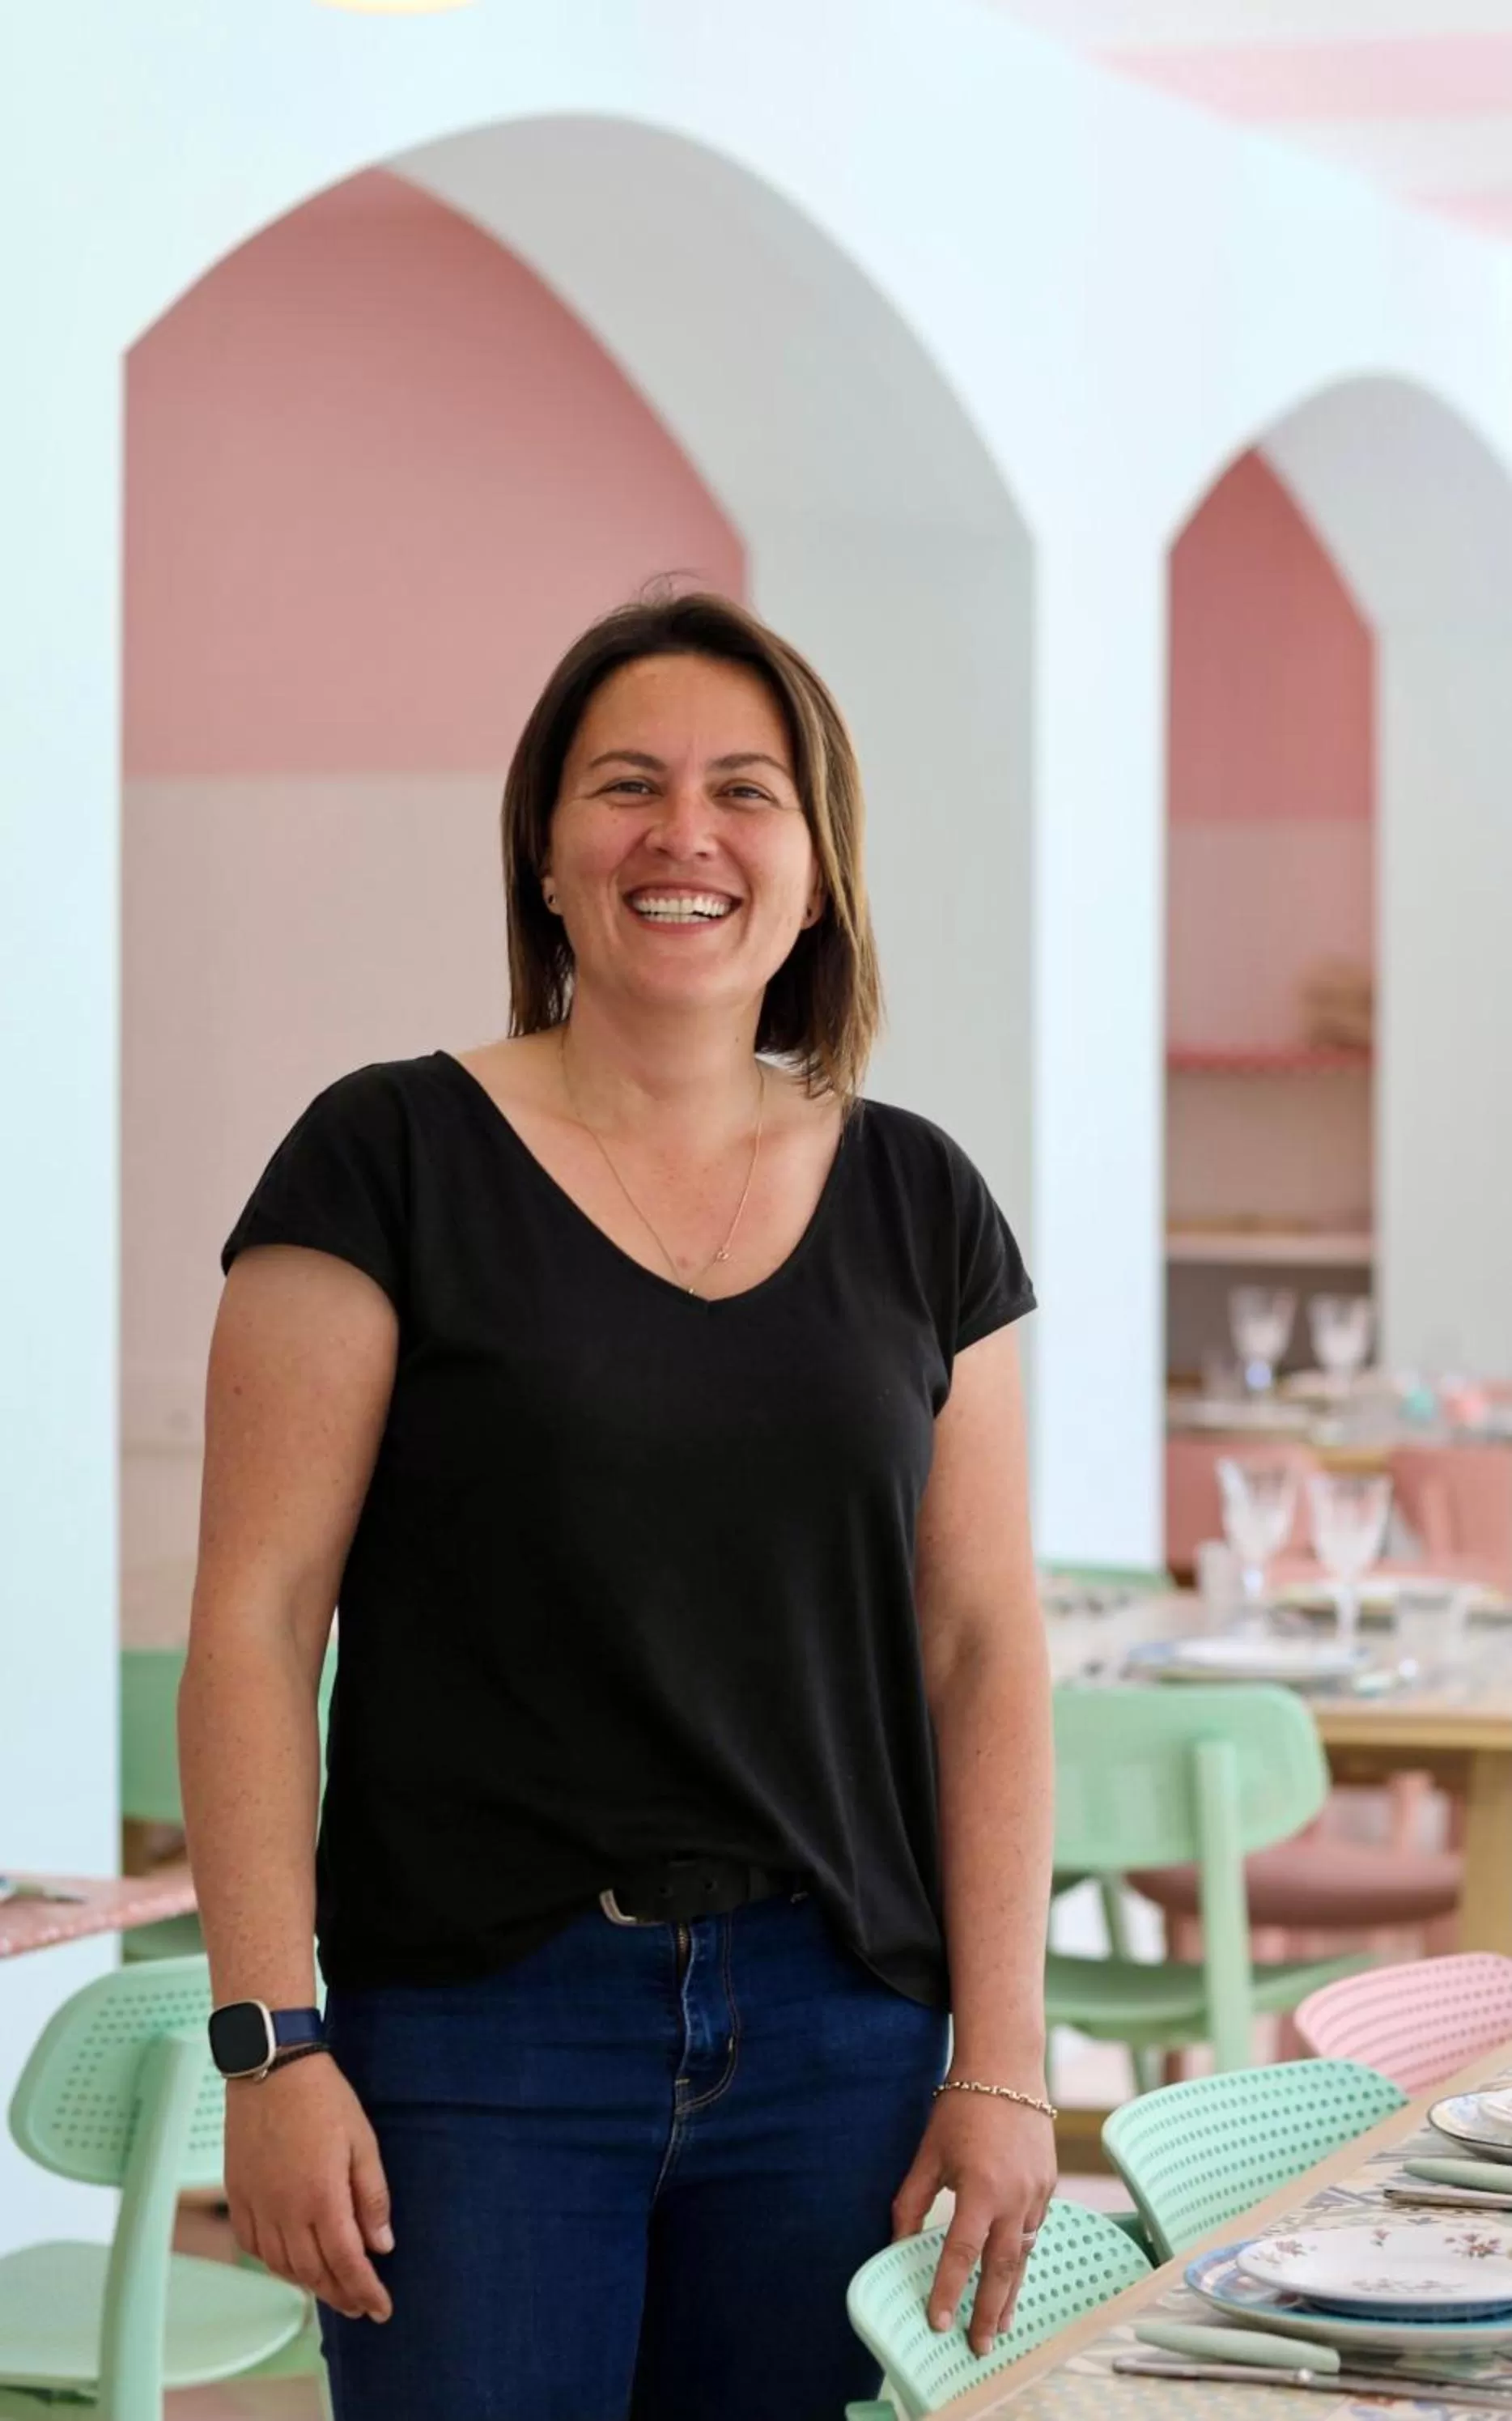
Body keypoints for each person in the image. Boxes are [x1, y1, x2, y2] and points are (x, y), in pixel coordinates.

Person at [179, 590, 1055, 2421]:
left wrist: (1008, 2063)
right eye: (625, 786)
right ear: (548, 856)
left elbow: (983, 1648)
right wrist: (270, 2042)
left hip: (840, 2032)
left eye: (746, 791)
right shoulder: (384, 1158)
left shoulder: (923, 1202)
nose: (684, 834)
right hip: (475, 2034)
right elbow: (257, 1622)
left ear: (815, 875)